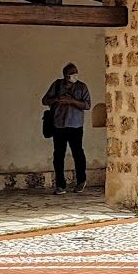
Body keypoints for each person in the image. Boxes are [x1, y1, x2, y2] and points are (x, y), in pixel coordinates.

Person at [42, 62, 92, 194]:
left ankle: (81, 180)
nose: (75, 75)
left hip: (75, 125)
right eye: (72, 73)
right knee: (58, 155)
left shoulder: (82, 87)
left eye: (76, 72)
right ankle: (60, 184)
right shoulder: (57, 85)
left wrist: (72, 101)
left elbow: (87, 105)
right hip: (59, 124)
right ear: (65, 75)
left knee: (78, 153)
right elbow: (45, 100)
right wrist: (57, 99)